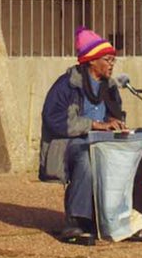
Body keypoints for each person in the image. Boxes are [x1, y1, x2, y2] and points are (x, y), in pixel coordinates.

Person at [39, 26, 127, 241]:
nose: (111, 65)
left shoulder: (110, 87)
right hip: (68, 144)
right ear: (91, 61)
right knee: (86, 159)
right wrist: (94, 125)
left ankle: (118, 218)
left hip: (101, 142)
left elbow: (116, 114)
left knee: (127, 157)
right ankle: (76, 222)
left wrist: (117, 124)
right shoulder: (66, 85)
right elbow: (53, 119)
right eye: (107, 60)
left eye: (113, 61)